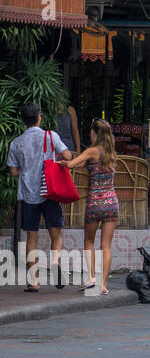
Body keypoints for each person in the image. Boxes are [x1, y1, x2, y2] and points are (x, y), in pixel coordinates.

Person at [6, 101, 73, 292]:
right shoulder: (51, 136)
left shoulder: (16, 143)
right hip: (49, 191)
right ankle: (55, 262)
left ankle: (33, 281)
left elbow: (13, 171)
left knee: (31, 237)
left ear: (23, 121)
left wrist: (26, 169)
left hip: (28, 194)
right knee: (56, 233)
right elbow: (67, 156)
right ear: (39, 117)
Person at [66, 119, 119, 295]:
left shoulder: (91, 151)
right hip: (111, 203)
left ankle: (91, 278)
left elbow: (71, 165)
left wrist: (61, 162)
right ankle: (103, 285)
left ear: (94, 133)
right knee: (107, 246)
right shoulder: (111, 153)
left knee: (89, 241)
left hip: (95, 203)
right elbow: (84, 163)